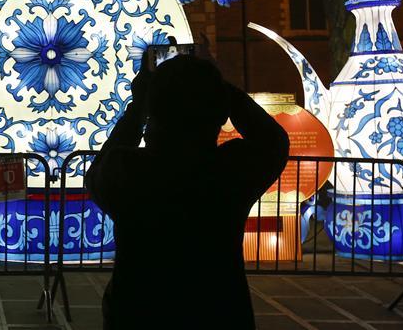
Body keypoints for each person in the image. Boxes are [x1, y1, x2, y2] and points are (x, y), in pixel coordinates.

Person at [86, 54, 289, 329]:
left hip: (137, 313)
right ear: (219, 112)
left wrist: (137, 109)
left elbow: (98, 172)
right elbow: (273, 141)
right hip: (218, 313)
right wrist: (225, 91)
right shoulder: (229, 172)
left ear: (154, 111)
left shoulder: (128, 171)